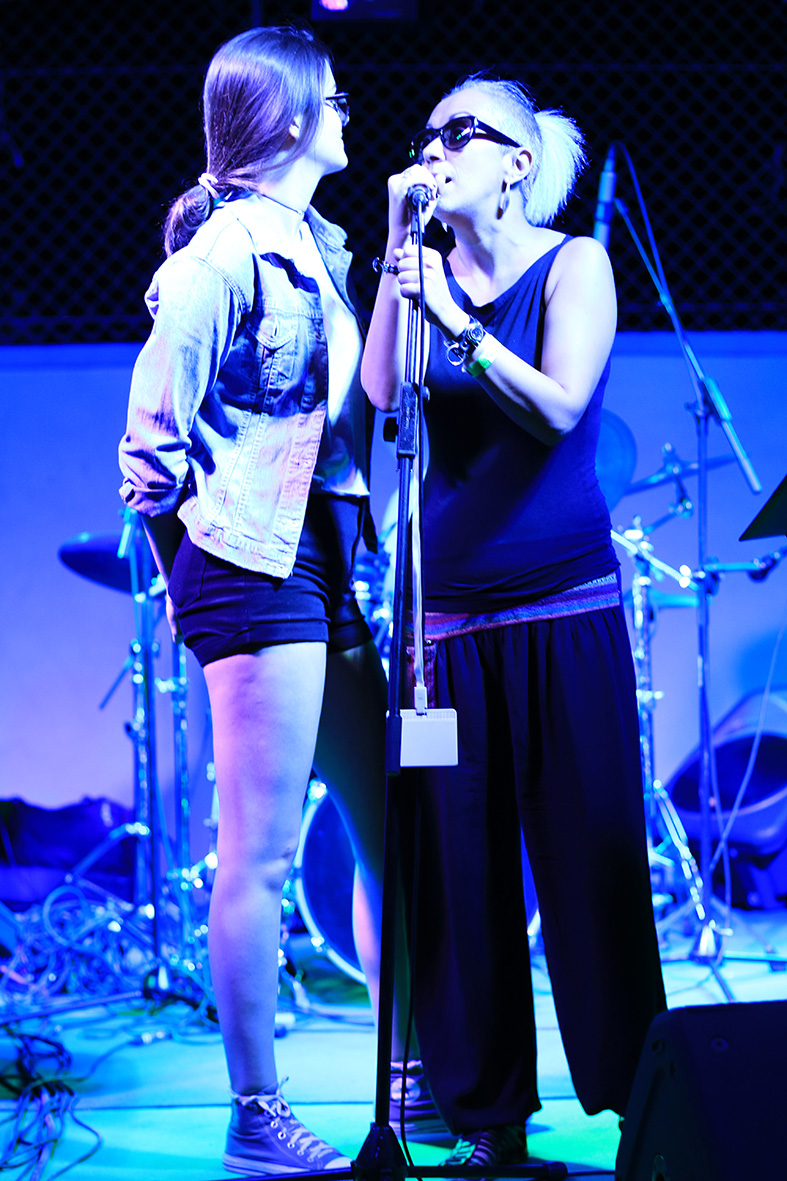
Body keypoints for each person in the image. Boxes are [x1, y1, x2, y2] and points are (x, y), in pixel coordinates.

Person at [119, 25, 435, 1176]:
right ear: (293, 119)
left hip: (325, 555)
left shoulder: (316, 241)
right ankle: (257, 1110)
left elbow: (366, 405)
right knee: (256, 852)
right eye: (333, 99)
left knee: (391, 822)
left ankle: (408, 1075)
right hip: (253, 565)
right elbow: (147, 444)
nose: (350, 111)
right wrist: (196, 578)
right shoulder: (222, 255)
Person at [361, 73, 667, 1169]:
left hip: (564, 609)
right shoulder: (416, 272)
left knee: (590, 863)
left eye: (459, 134)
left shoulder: (572, 264)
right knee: (459, 874)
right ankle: (490, 1123)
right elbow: (380, 395)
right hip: (443, 627)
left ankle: (641, 1108)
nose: (433, 152)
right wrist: (398, 263)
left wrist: (458, 324)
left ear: (517, 163)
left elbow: (560, 406)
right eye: (426, 135)